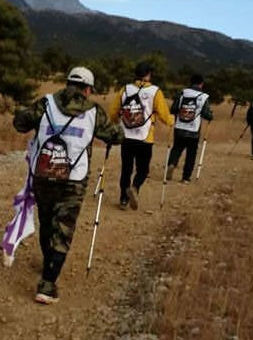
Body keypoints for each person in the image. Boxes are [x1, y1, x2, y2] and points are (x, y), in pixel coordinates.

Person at [13, 66, 122, 304]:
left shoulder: (45, 103)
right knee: (63, 229)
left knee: (46, 220)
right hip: (74, 178)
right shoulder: (94, 111)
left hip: (43, 174)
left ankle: (48, 259)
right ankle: (47, 283)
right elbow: (116, 136)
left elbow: (20, 123)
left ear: (68, 83)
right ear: (87, 89)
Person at [109, 61, 173, 210]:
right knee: (143, 170)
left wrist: (116, 122)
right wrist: (171, 120)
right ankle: (135, 187)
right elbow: (164, 115)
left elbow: (113, 112)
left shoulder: (125, 89)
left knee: (126, 169)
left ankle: (123, 200)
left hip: (126, 136)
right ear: (148, 74)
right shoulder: (155, 91)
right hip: (145, 138)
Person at [166, 74, 213, 183]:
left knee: (176, 148)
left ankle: (172, 164)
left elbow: (173, 109)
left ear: (190, 82)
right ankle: (185, 178)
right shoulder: (203, 96)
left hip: (179, 127)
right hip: (194, 131)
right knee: (191, 154)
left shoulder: (182, 93)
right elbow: (206, 114)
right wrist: (211, 116)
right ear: (201, 84)